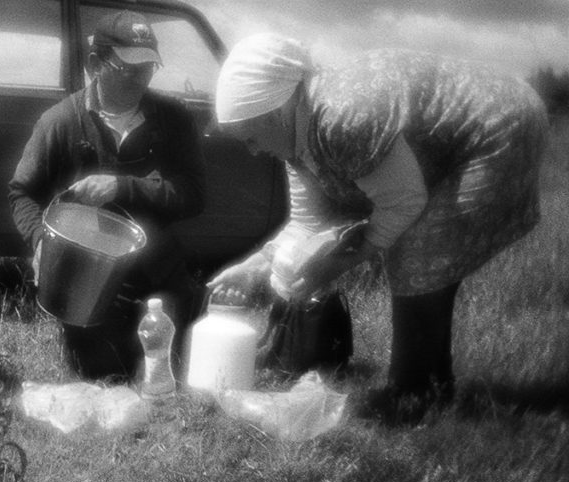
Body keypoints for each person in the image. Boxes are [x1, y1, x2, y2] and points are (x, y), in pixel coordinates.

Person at [207, 32, 548, 419]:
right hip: (460, 140)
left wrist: (335, 265)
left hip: (499, 124)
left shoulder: (341, 115)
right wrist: (253, 267)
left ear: (276, 112)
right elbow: (306, 224)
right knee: (423, 256)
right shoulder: (296, 141)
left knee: (419, 253)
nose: (253, 151)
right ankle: (431, 385)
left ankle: (411, 393)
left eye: (251, 138)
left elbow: (403, 204)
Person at [9, 10, 206, 381]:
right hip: (89, 284)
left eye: (147, 70)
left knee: (186, 373)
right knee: (104, 375)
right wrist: (40, 242)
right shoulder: (61, 121)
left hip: (161, 275)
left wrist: (122, 186)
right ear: (95, 64)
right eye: (128, 69)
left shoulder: (174, 119)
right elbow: (22, 193)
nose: (139, 80)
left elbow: (195, 196)